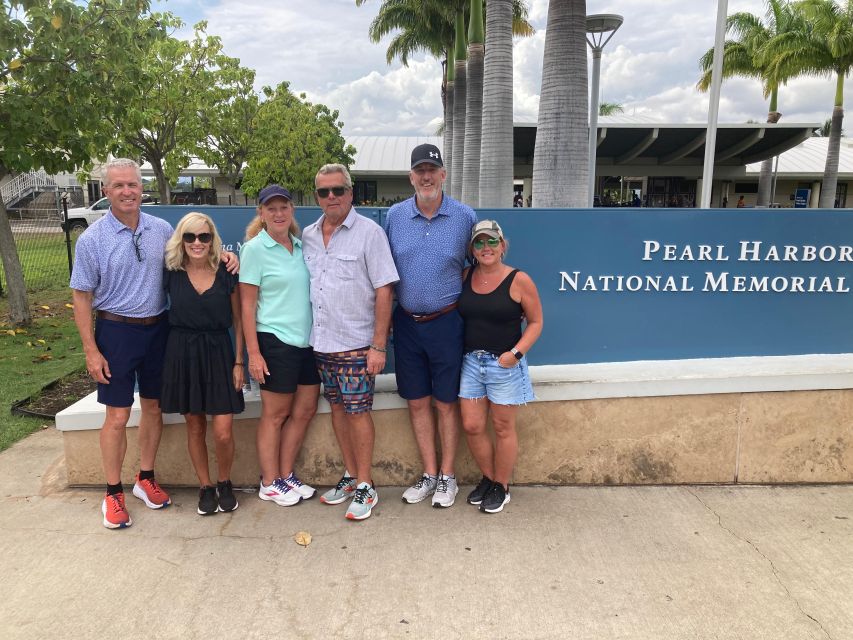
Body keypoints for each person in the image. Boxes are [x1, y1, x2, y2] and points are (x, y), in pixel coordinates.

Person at [70, 158, 238, 529]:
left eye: (132, 184)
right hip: (116, 331)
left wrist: (225, 255)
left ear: (140, 188)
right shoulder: (91, 240)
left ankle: (145, 477)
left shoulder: (161, 229)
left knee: (154, 408)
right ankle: (113, 492)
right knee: (116, 415)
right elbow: (81, 297)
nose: (127, 191)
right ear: (106, 191)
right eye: (119, 186)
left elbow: (196, 250)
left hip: (160, 329)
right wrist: (90, 350)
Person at [302, 164, 399, 520]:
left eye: (338, 190)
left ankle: (366, 485)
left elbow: (385, 289)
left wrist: (378, 345)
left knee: (359, 414)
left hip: (357, 344)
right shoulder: (309, 235)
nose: (331, 197)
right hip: (323, 344)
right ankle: (350, 476)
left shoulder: (369, 233)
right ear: (316, 196)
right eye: (324, 192)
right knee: (338, 411)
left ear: (350, 193)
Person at [384, 143, 477, 508]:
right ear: (411, 177)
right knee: (417, 402)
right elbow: (384, 271)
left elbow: (477, 265)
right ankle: (429, 473)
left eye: (432, 170)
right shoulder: (394, 216)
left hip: (447, 323)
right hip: (406, 324)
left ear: (443, 174)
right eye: (419, 170)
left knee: (445, 403)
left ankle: (448, 477)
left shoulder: (464, 216)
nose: (426, 176)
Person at [240, 184, 320, 508]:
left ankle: (286, 475)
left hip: (307, 342)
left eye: (283, 207)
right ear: (261, 213)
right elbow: (246, 306)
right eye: (270, 208)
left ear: (292, 210)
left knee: (304, 410)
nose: (278, 213)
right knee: (275, 415)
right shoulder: (254, 250)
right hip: (273, 340)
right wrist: (254, 353)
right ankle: (269, 482)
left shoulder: (301, 247)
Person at [160, 212, 245, 516]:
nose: (197, 242)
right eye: (190, 237)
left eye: (204, 237)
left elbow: (238, 319)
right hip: (183, 353)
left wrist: (239, 362)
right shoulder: (170, 271)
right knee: (194, 426)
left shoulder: (226, 270)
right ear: (181, 240)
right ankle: (205, 486)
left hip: (220, 352)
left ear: (212, 240)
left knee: (222, 430)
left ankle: (224, 481)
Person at [458, 220, 543, 513]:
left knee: (503, 427)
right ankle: (489, 477)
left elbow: (536, 322)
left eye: (492, 242)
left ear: (502, 246)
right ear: (472, 248)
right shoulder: (466, 275)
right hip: (471, 362)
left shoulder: (519, 280)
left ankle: (502, 486)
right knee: (472, 425)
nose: (486, 248)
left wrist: (516, 354)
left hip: (504, 365)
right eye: (479, 243)